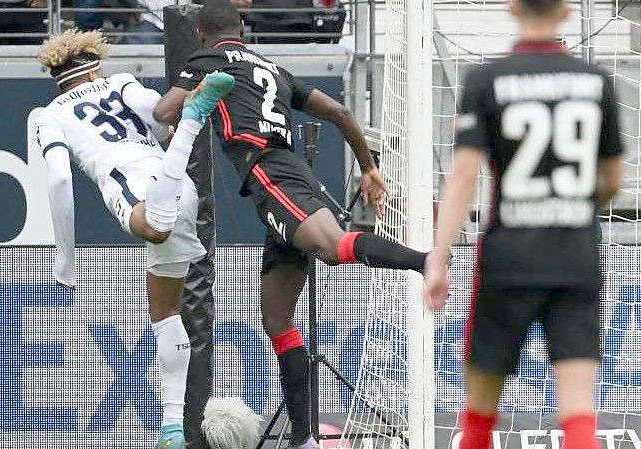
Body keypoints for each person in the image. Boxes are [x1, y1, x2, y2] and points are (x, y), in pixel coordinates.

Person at [152, 3, 442, 448]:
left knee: (330, 246)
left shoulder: (208, 59)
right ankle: (304, 440)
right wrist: (368, 168)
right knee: (277, 318)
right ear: (242, 27)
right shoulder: (273, 67)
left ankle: (426, 260)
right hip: (286, 172)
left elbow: (163, 110)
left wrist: (186, 104)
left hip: (270, 170)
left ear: (200, 34)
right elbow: (341, 113)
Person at [423, 0, 624, 448]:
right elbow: (613, 180)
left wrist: (439, 257)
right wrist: (569, 202)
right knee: (577, 413)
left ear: (511, 8)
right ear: (567, 12)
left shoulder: (485, 81)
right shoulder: (596, 83)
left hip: (507, 258)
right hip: (575, 255)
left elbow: (464, 176)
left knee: (479, 414)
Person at [35, 29, 234, 449]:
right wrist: (176, 122)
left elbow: (58, 179)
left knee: (154, 228)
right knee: (165, 312)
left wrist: (65, 260)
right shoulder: (122, 81)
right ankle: (172, 425)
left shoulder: (48, 113)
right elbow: (161, 118)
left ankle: (195, 118)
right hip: (177, 184)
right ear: (93, 69)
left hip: (137, 189)